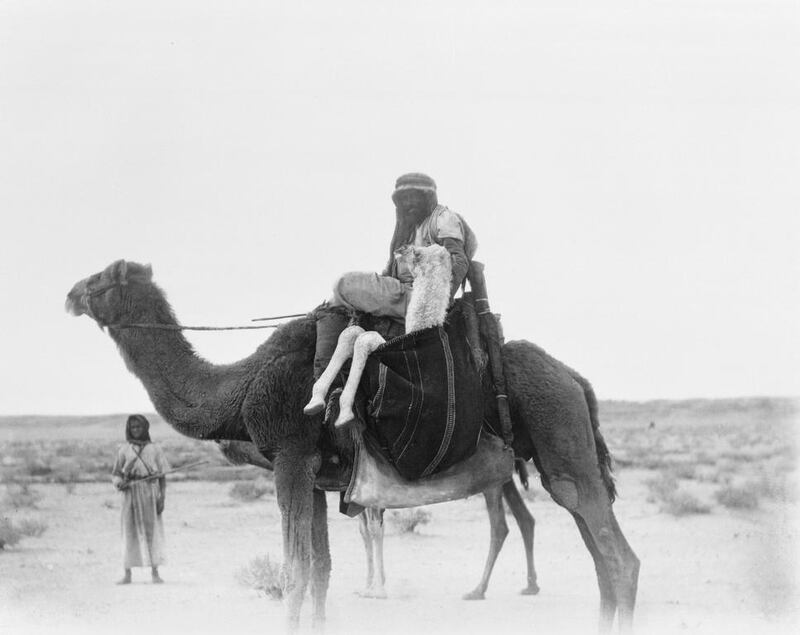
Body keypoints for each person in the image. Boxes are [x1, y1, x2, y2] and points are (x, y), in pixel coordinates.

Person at [310, 172, 478, 383]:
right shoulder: (408, 230)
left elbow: (459, 261)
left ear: (427, 197)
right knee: (338, 298)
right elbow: (390, 274)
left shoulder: (443, 218)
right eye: (403, 198)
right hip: (403, 294)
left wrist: (436, 306)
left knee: (344, 284)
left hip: (421, 299)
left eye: (413, 196)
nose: (408, 203)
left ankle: (329, 381)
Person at [111, 414, 170, 584]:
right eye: (133, 428)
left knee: (152, 532)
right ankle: (127, 574)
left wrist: (162, 498)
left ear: (145, 428)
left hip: (149, 494)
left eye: (139, 427)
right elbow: (115, 473)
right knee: (129, 532)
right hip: (129, 494)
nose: (136, 430)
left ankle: (155, 573)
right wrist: (119, 483)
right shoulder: (124, 449)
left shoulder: (155, 449)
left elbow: (162, 476)